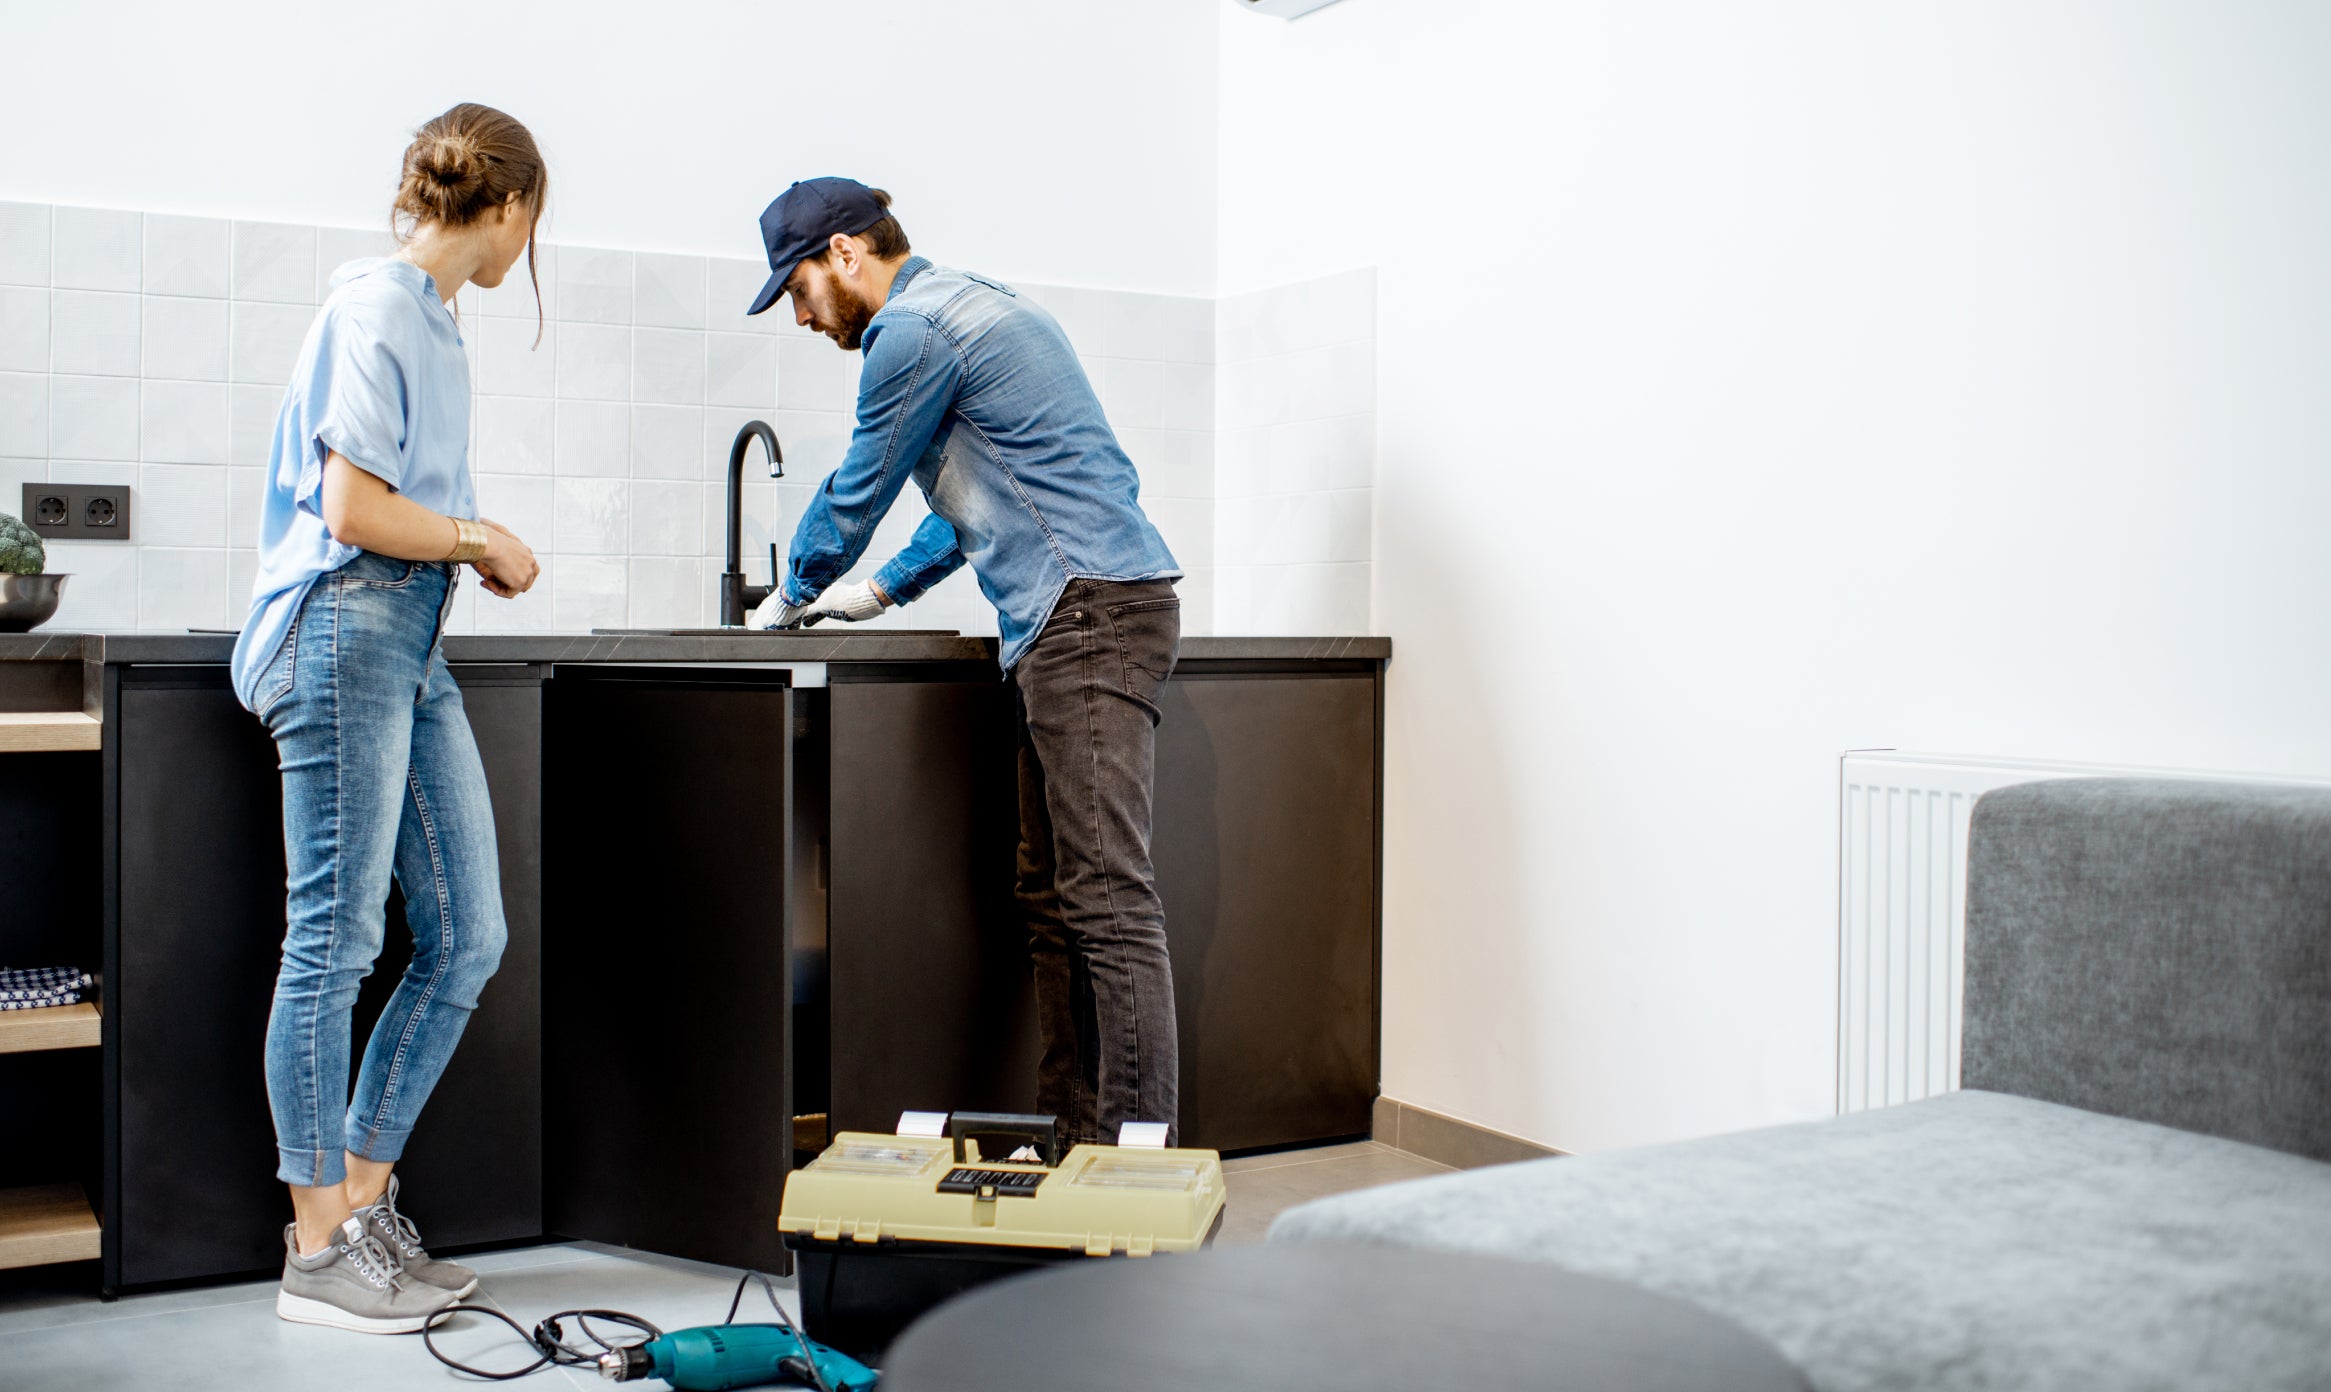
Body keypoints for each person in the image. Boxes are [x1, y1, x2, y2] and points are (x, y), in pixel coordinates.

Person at [745, 179, 1185, 1149]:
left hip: (1089, 615)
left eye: (802, 289)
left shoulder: (914, 333)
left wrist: (788, 594)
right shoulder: (984, 307)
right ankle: (1077, 1138)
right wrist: (885, 590)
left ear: (848, 254)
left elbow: (861, 483)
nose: (803, 315)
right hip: (1078, 612)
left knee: (1106, 896)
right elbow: (1000, 492)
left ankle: (1141, 1167)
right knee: (1055, 895)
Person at [229, 102, 546, 1334]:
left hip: (408, 633)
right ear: (511, 205)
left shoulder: (436, 322)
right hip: (344, 621)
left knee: (467, 934)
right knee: (337, 939)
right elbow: (355, 509)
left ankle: (361, 1206)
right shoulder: (374, 303)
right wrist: (486, 540)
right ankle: (314, 1248)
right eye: (537, 219)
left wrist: (466, 549)